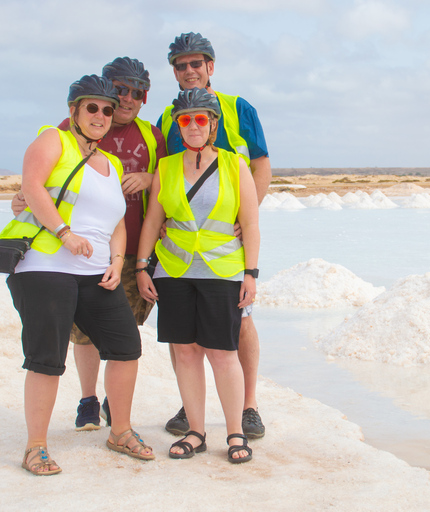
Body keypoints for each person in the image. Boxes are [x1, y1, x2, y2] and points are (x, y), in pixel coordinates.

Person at [0, 75, 154, 475]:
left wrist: (117, 261)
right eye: (92, 108)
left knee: (126, 347)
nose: (101, 115)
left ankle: (120, 431)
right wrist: (65, 234)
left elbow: (117, 221)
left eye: (106, 109)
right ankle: (36, 446)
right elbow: (31, 187)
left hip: (94, 274)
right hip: (45, 267)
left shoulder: (111, 163)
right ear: (74, 111)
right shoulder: (54, 139)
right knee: (47, 358)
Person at [157, 32, 270, 439]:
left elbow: (260, 165)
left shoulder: (238, 109)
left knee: (238, 323)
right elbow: (162, 173)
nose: (189, 71)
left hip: (230, 236)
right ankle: (193, 411)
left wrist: (247, 211)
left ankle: (249, 405)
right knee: (184, 336)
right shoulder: (170, 116)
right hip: (183, 248)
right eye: (180, 65)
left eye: (195, 63)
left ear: (211, 66)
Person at [137, 88, 260, 464]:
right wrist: (143, 266)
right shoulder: (167, 167)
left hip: (221, 272)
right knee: (185, 352)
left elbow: (251, 223)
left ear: (213, 125)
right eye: (185, 119)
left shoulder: (234, 165)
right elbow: (153, 220)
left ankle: (236, 432)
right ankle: (196, 431)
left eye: (200, 119)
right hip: (174, 271)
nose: (193, 125)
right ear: (178, 125)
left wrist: (250, 273)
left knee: (223, 354)